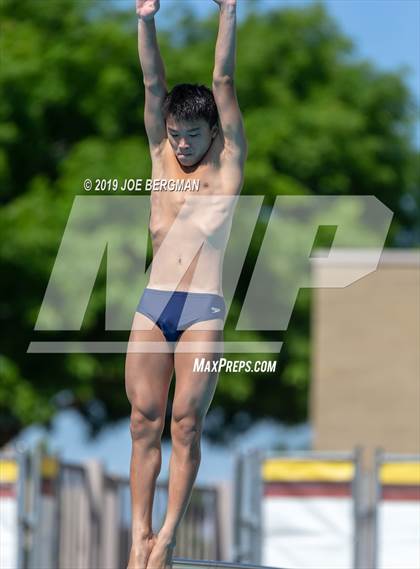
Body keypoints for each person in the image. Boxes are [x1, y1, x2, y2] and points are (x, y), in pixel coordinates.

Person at [125, 0, 247, 567]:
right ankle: (139, 535)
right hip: (153, 305)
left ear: (213, 132)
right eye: (175, 135)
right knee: (143, 420)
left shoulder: (227, 164)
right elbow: (153, 82)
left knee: (185, 423)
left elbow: (223, 79)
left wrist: (227, 11)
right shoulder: (159, 155)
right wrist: (145, 18)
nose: (180, 145)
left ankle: (168, 536)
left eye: (191, 135)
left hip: (202, 308)